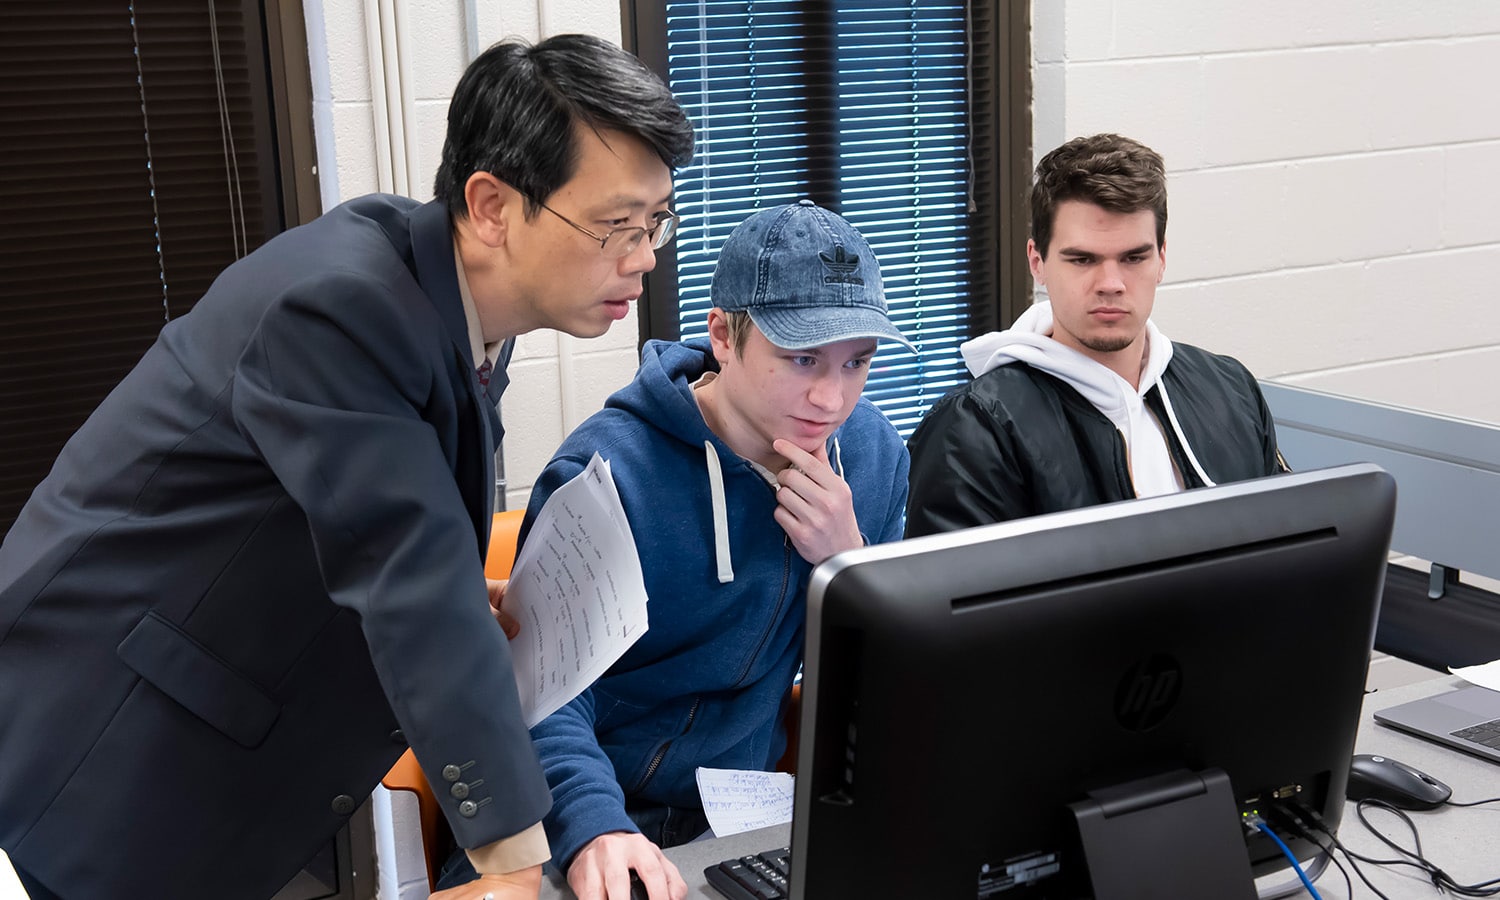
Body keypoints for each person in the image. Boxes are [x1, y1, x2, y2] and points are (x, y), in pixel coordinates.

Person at [0, 34, 692, 900]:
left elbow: (370, 517)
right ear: (491, 205)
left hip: (212, 734)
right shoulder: (343, 306)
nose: (644, 256)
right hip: (102, 741)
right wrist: (513, 860)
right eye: (614, 225)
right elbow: (414, 583)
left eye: (655, 221)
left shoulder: (453, 301)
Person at [439, 200, 913, 900]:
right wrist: (595, 828)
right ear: (723, 335)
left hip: (737, 824)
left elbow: (888, 685)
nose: (830, 396)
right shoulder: (608, 474)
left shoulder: (871, 459)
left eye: (857, 363)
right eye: (801, 357)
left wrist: (849, 570)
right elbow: (540, 693)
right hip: (569, 818)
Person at [905, 133, 1287, 537]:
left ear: (1161, 259)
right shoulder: (975, 430)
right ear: (1038, 262)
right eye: (1083, 259)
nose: (1111, 283)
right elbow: (961, 596)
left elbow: (1291, 553)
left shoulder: (1231, 389)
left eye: (1133, 257)